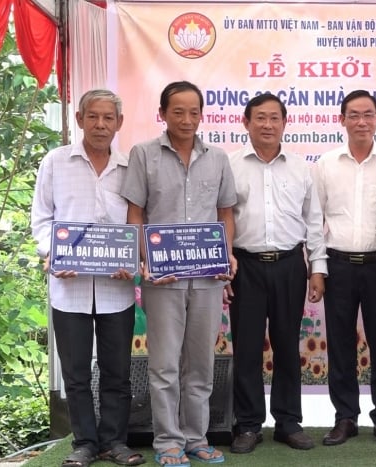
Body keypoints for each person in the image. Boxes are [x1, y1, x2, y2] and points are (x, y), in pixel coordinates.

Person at [121, 81, 236, 466]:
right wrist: (146, 261)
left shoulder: (218, 158)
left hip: (207, 279)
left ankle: (196, 438)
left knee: (201, 364)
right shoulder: (143, 154)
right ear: (162, 113)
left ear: (202, 114)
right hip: (162, 280)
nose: (186, 119)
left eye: (193, 112)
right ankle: (167, 442)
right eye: (178, 111)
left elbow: (225, 214)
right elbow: (135, 213)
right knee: (165, 364)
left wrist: (228, 256)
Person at [31, 89, 145, 467]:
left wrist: (134, 256)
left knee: (118, 370)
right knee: (76, 372)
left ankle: (115, 441)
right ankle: (84, 443)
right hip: (69, 288)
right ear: (79, 119)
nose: (100, 125)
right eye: (93, 117)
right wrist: (52, 253)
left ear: (119, 123)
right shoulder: (55, 162)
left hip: (117, 288)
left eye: (108, 118)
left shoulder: (131, 168)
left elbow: (136, 223)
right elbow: (43, 219)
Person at [226, 93, 327, 454]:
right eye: (260, 118)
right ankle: (248, 424)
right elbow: (221, 218)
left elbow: (314, 222)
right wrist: (223, 267)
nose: (267, 125)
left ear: (285, 122)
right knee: (248, 347)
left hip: (289, 266)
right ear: (246, 122)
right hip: (244, 266)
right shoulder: (230, 165)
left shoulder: (302, 168)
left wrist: (317, 269)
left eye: (274, 118)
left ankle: (288, 422)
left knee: (287, 345)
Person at [314, 90, 376, 448]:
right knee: (340, 345)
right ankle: (345, 417)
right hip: (338, 265)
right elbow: (314, 220)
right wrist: (317, 269)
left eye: (368, 114)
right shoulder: (325, 164)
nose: (361, 121)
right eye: (354, 115)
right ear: (342, 120)